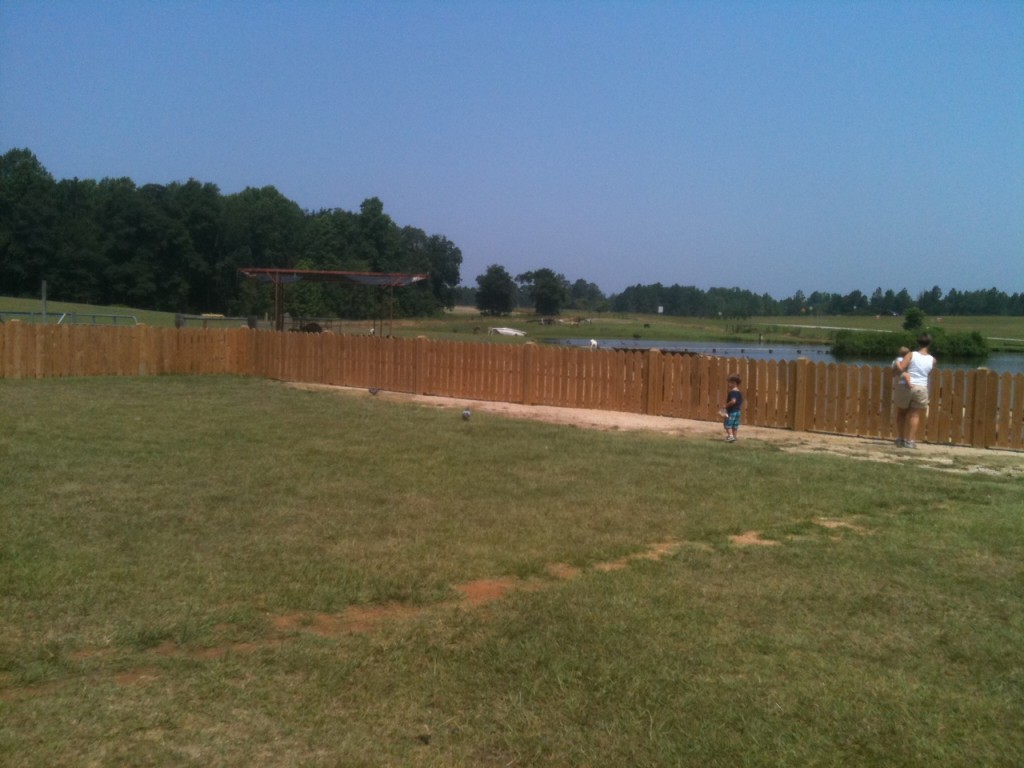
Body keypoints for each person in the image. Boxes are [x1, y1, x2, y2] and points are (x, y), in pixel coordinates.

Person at [894, 334, 936, 448]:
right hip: (921, 387)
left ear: (918, 342)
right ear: (929, 343)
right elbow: (928, 374)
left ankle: (900, 438)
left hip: (907, 387)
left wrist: (897, 363)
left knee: (901, 413)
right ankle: (911, 441)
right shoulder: (932, 359)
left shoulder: (911, 354)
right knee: (915, 415)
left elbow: (902, 367)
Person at [722, 374, 743, 443]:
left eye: (730, 382)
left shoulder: (732, 392)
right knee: (735, 425)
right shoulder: (739, 393)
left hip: (731, 411)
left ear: (734, 383)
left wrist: (726, 405)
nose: (728, 384)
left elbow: (733, 401)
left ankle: (730, 436)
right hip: (738, 412)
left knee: (727, 424)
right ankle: (734, 437)